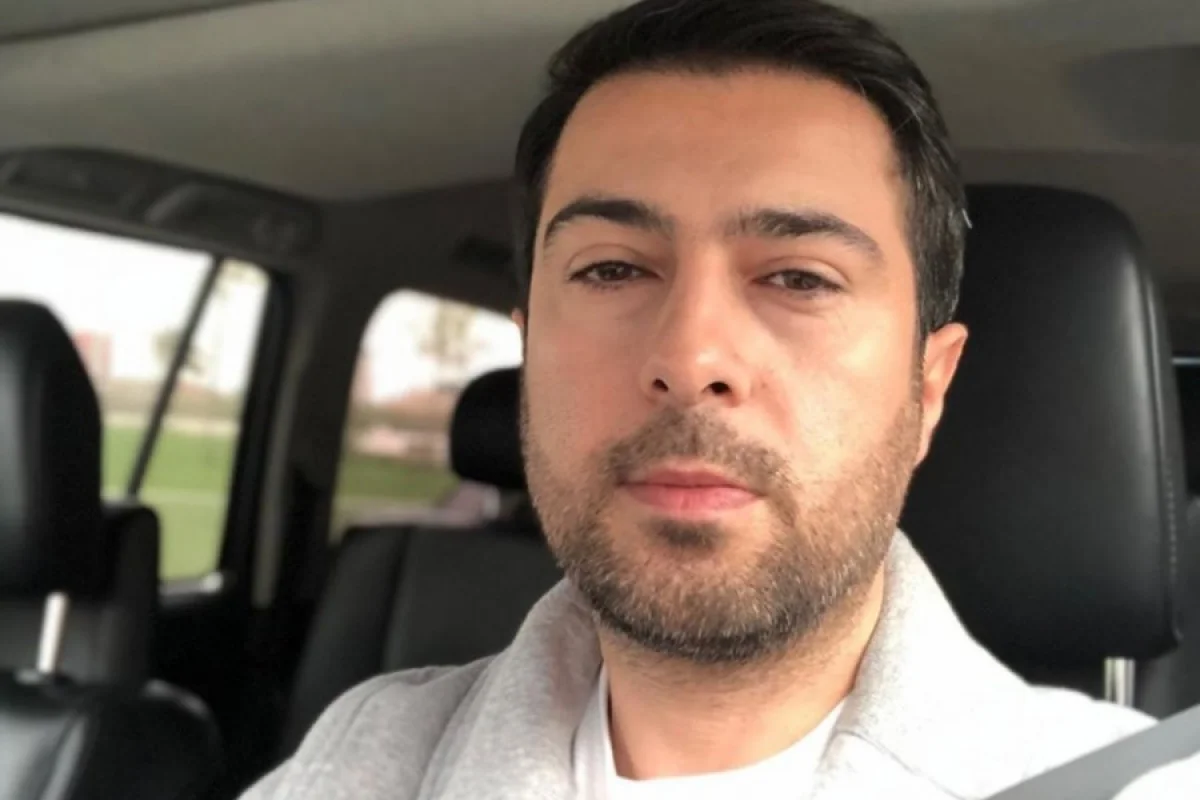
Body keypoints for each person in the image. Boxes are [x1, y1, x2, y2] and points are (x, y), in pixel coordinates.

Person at [240, 1, 1165, 797]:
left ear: (927, 389)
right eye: (611, 268)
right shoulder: (362, 757)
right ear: (529, 354)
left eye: (799, 277)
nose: (689, 359)